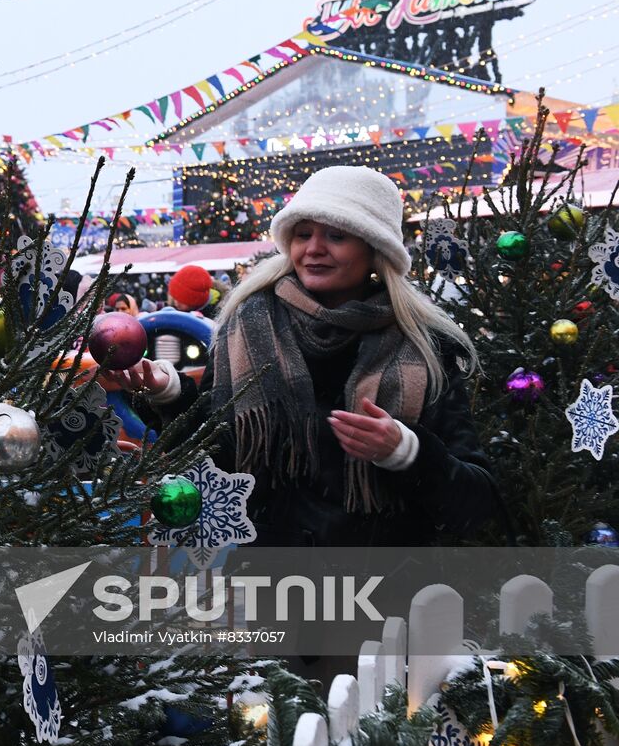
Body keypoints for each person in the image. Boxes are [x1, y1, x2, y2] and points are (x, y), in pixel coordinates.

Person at [109, 166, 496, 547]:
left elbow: (475, 506)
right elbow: (220, 459)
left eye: (336, 235)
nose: (313, 249)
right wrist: (170, 393)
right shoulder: (246, 326)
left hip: (387, 586)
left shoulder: (424, 344)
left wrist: (406, 452)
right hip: (275, 585)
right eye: (303, 233)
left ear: (374, 249)